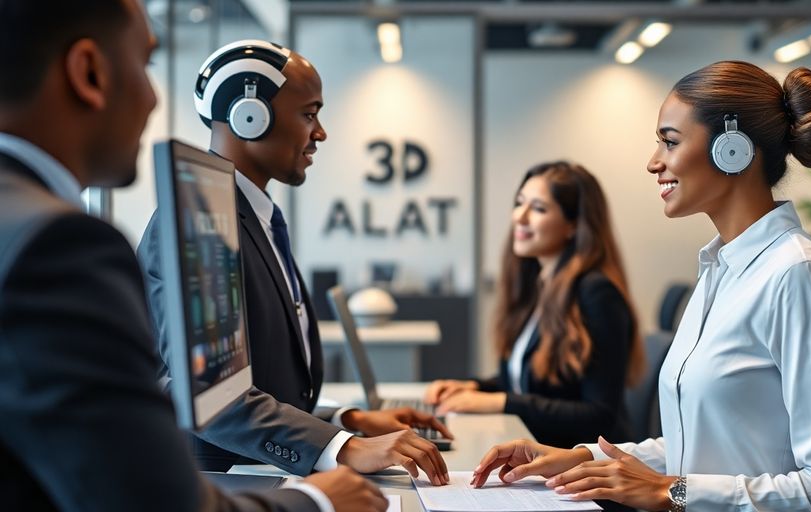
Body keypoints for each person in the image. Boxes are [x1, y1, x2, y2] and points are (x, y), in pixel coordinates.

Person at [0, 1, 385, 510]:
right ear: (89, 72)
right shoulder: (56, 245)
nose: (155, 98)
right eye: (146, 64)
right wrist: (318, 501)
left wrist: (338, 425)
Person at [471, 61, 811, 512]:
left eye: (670, 141)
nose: (653, 162)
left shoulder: (799, 277)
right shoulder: (721, 269)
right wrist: (579, 457)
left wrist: (671, 491)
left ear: (733, 149)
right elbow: (697, 448)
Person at [137, 40, 451, 484]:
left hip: (264, 474)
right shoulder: (200, 222)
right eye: (309, 114)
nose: (320, 133)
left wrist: (346, 421)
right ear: (250, 116)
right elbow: (204, 392)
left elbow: (263, 384)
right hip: (225, 482)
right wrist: (342, 448)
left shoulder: (251, 217)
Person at [424, 161, 643, 448]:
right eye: (519, 203)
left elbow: (598, 415)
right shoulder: (539, 287)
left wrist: (499, 402)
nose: (520, 216)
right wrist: (476, 387)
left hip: (585, 465)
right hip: (540, 451)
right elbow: (531, 381)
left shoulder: (596, 293)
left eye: (538, 208)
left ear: (574, 225)